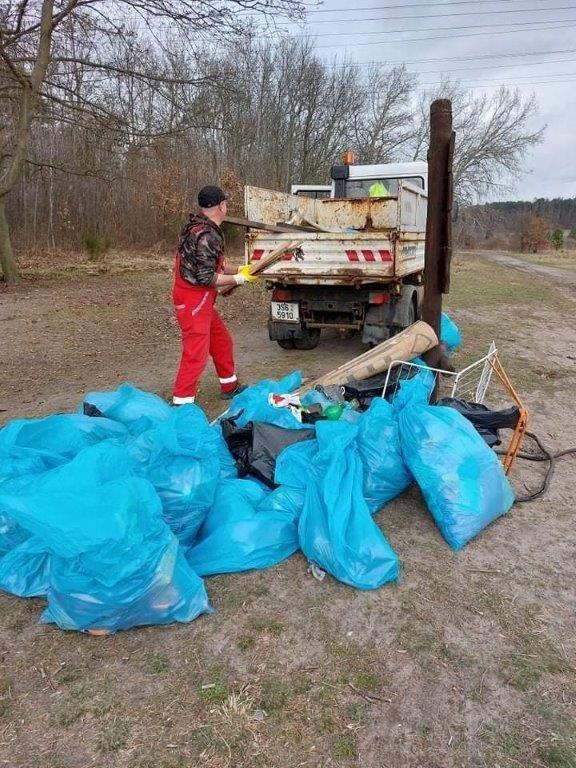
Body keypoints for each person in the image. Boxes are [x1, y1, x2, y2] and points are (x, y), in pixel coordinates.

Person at [172, 185, 256, 404]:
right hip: (193, 300)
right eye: (225, 202)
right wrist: (238, 280)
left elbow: (216, 266)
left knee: (221, 341)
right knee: (195, 353)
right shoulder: (206, 236)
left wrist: (239, 271)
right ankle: (182, 402)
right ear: (221, 205)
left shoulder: (201, 228)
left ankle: (229, 386)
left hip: (200, 299)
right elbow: (207, 278)